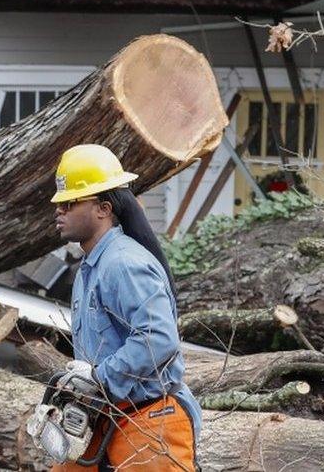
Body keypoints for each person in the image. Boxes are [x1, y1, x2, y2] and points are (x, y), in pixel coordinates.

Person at [48, 144, 201, 472]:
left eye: (70, 202)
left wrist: (100, 378)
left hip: (150, 419)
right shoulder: (91, 266)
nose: (59, 210)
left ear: (103, 208)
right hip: (106, 415)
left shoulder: (123, 263)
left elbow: (158, 338)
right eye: (59, 203)